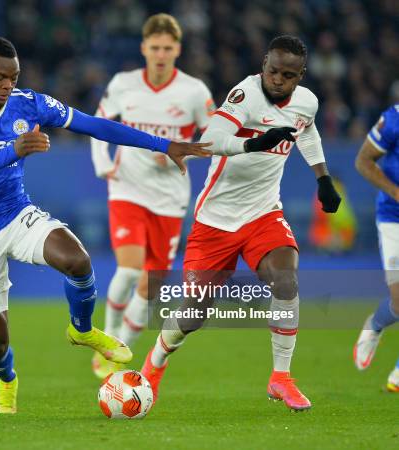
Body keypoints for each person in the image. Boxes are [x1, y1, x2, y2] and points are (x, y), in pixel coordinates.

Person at [0, 36, 213, 414]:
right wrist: (14, 150)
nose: (7, 85)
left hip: (16, 213)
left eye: (13, 78)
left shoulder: (29, 103)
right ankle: (6, 380)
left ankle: (82, 330)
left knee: (77, 260)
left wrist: (163, 145)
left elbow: (95, 125)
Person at [141, 35, 342, 412]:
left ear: (300, 76)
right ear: (263, 63)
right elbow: (210, 141)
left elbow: (308, 131)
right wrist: (255, 143)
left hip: (264, 213)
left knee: (286, 280)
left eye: (288, 75)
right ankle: (155, 363)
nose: (278, 80)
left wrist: (322, 178)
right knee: (194, 312)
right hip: (215, 221)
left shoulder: (307, 102)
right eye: (273, 71)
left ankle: (281, 377)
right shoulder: (245, 96)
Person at [90, 13, 215, 378]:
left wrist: (183, 150)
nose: (161, 54)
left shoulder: (194, 92)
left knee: (152, 285)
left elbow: (214, 139)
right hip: (127, 187)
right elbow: (98, 123)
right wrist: (104, 165)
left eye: (168, 48)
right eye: (155, 47)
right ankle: (109, 338)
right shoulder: (124, 84)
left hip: (170, 196)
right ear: (144, 48)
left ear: (178, 49)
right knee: (129, 270)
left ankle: (123, 341)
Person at [353, 104, 399, 392]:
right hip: (393, 217)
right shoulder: (394, 119)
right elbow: (363, 161)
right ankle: (375, 324)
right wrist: (395, 192)